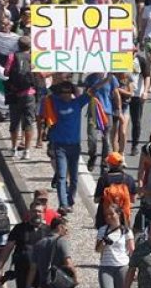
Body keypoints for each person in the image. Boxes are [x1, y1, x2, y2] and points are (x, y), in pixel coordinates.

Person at [45, 81, 90, 213]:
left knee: (74, 178)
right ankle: (63, 204)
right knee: (61, 176)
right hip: (59, 146)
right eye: (63, 92)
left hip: (74, 146)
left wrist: (107, 77)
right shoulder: (54, 101)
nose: (65, 95)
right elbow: (44, 89)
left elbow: (93, 91)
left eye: (68, 92)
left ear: (72, 92)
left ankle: (70, 200)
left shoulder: (78, 102)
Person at [0, 200, 49, 288]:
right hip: (22, 270)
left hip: (41, 271)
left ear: (43, 213)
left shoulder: (48, 231)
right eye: (34, 211)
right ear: (29, 212)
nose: (37, 213)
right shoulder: (19, 228)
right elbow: (8, 248)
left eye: (39, 211)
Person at [27, 217, 76, 288]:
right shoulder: (62, 241)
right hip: (58, 283)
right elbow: (69, 264)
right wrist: (75, 279)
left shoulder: (39, 243)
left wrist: (28, 285)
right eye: (66, 229)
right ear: (60, 227)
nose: (67, 232)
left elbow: (33, 268)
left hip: (43, 284)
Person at [96, 205, 134, 288]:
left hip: (122, 266)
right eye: (106, 215)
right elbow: (97, 250)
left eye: (111, 214)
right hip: (106, 266)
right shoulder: (102, 230)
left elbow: (132, 251)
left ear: (118, 214)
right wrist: (103, 243)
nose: (108, 217)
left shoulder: (126, 231)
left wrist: (133, 268)